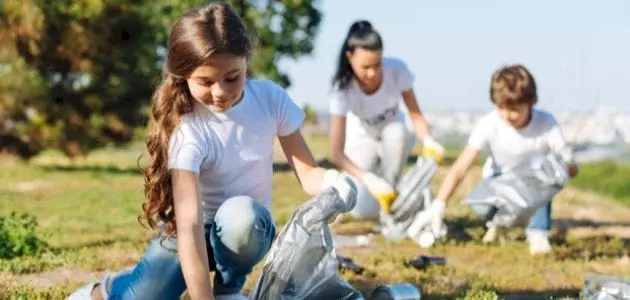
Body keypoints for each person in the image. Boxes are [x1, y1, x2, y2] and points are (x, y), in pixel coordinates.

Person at [67, 3, 356, 300]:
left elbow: (308, 174)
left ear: (246, 61)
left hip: (245, 231)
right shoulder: (189, 128)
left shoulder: (271, 100)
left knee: (240, 217)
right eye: (205, 82)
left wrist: (333, 181)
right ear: (184, 76)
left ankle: (228, 289)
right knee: (145, 295)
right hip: (189, 232)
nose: (220, 92)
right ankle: (107, 288)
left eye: (232, 77)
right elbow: (190, 225)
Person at [411, 64, 579, 255]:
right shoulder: (490, 124)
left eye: (515, 109)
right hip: (500, 180)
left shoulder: (546, 123)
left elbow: (566, 159)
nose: (508, 116)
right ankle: (499, 224)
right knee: (481, 207)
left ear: (531, 102)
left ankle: (538, 233)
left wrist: (567, 166)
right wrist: (438, 206)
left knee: (544, 181)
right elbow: (460, 167)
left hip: (534, 180)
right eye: (502, 108)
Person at [327, 20, 445, 220]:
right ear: (350, 57)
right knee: (363, 209)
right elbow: (336, 153)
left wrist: (427, 140)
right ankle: (386, 197)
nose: (372, 73)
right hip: (363, 140)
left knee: (397, 133)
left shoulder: (397, 70)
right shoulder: (342, 90)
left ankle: (394, 201)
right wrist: (368, 178)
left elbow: (415, 114)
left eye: (377, 65)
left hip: (394, 136)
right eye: (365, 67)